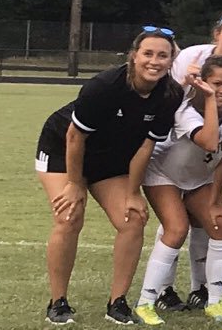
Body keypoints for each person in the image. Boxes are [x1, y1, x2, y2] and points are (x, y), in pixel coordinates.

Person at [38, 26, 183, 325]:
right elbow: (74, 137)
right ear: (133, 56)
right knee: (69, 215)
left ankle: (117, 303)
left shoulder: (170, 93)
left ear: (172, 60)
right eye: (147, 54)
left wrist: (132, 192)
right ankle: (58, 302)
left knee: (133, 219)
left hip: (112, 158)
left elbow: (146, 146)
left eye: (162, 55)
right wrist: (76, 184)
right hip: (61, 149)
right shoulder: (104, 86)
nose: (154, 61)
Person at [133, 55, 222, 325]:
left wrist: (213, 198)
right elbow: (210, 142)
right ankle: (146, 302)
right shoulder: (185, 110)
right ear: (202, 83)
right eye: (216, 83)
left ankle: (215, 301)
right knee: (176, 229)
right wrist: (209, 100)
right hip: (163, 173)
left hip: (199, 177)